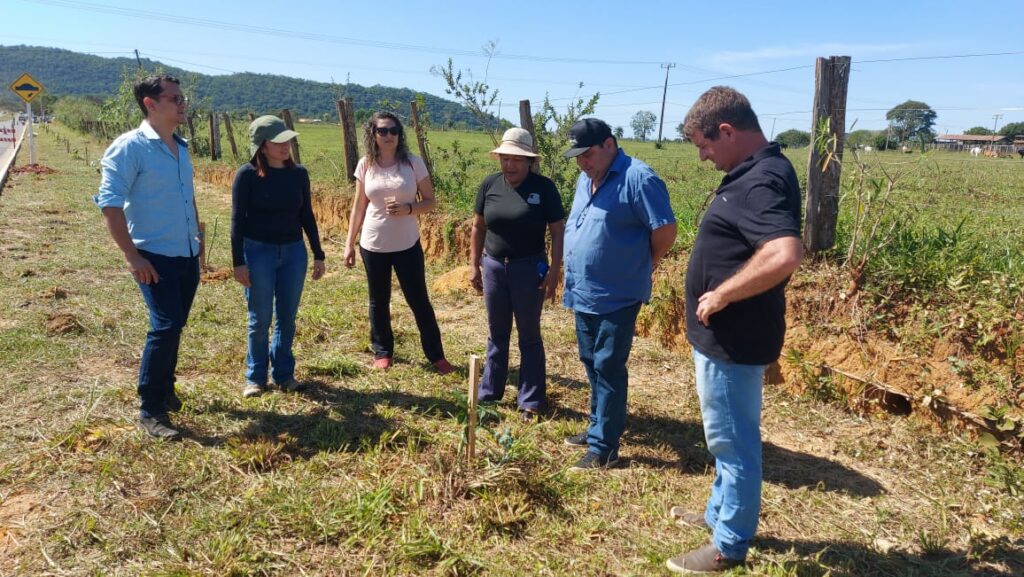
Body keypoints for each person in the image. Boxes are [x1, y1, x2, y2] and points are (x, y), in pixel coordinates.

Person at [666, 86, 803, 574]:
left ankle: (728, 545)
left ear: (727, 131)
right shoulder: (757, 171)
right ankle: (717, 514)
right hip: (727, 336)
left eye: (705, 146)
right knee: (724, 435)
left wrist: (722, 294)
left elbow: (784, 253)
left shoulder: (760, 180)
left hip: (733, 337)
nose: (703, 157)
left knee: (733, 440)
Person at [561, 118, 677, 470]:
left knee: (609, 365)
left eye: (588, 153)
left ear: (610, 144)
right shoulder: (587, 179)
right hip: (583, 290)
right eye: (577, 156)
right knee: (590, 362)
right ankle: (598, 424)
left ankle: (605, 447)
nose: (583, 161)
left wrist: (643, 264)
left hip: (618, 293)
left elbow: (666, 230)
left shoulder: (638, 178)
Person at [94, 74, 201, 440]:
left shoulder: (181, 147)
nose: (182, 103)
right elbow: (109, 204)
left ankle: (166, 391)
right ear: (151, 104)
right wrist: (132, 257)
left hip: (186, 253)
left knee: (176, 325)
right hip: (153, 256)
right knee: (165, 326)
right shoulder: (130, 147)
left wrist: (197, 243)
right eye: (174, 98)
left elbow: (189, 199)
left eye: (182, 97)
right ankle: (151, 408)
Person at [343, 112, 452, 374]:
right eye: (382, 131)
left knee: (419, 300)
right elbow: (359, 207)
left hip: (407, 245)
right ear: (373, 134)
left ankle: (436, 355)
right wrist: (349, 243)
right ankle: (383, 351)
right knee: (378, 300)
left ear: (400, 134)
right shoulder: (365, 165)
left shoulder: (413, 163)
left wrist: (409, 209)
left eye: (393, 130)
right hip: (373, 244)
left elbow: (431, 201)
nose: (389, 135)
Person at [469, 128, 565, 421]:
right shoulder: (490, 185)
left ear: (529, 162)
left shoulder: (544, 188)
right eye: (505, 159)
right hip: (495, 266)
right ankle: (489, 394)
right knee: (497, 334)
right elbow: (478, 227)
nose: (509, 165)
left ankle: (531, 401)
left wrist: (554, 269)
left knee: (529, 335)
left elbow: (558, 231)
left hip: (528, 268)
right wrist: (474, 264)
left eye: (517, 160)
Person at [231, 116, 326, 398]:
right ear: (262, 146)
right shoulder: (246, 175)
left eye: (288, 140)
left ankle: (284, 374)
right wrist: (238, 261)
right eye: (278, 141)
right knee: (260, 317)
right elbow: (237, 220)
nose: (286, 146)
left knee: (287, 316)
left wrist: (318, 254)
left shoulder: (299, 174)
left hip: (294, 252)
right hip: (258, 251)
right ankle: (255, 377)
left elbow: (306, 215)